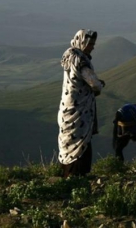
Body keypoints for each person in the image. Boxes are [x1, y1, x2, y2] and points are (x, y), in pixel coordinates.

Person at [57, 29, 105, 178]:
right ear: (82, 42)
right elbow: (94, 84)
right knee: (80, 139)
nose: (92, 47)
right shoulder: (81, 61)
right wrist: (100, 85)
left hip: (67, 106)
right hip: (80, 109)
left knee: (67, 138)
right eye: (90, 43)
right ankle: (78, 173)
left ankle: (66, 171)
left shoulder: (69, 55)